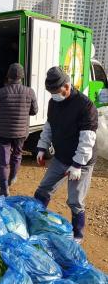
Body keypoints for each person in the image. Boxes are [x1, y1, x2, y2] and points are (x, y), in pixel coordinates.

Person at [34, 66, 98, 244]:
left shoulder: (85, 106)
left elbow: (88, 139)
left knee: (75, 201)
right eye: (51, 92)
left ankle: (78, 235)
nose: (54, 95)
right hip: (61, 157)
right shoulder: (53, 103)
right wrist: (42, 146)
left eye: (56, 91)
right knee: (43, 190)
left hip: (81, 163)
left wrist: (78, 164)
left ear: (67, 87)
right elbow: (49, 126)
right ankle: (35, 220)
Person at [0, 63, 38, 196]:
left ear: (8, 76)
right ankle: (12, 178)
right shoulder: (29, 92)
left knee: (3, 159)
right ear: (22, 77)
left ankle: (4, 187)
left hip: (3, 132)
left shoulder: (0, 92)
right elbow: (34, 111)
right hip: (21, 132)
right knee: (17, 155)